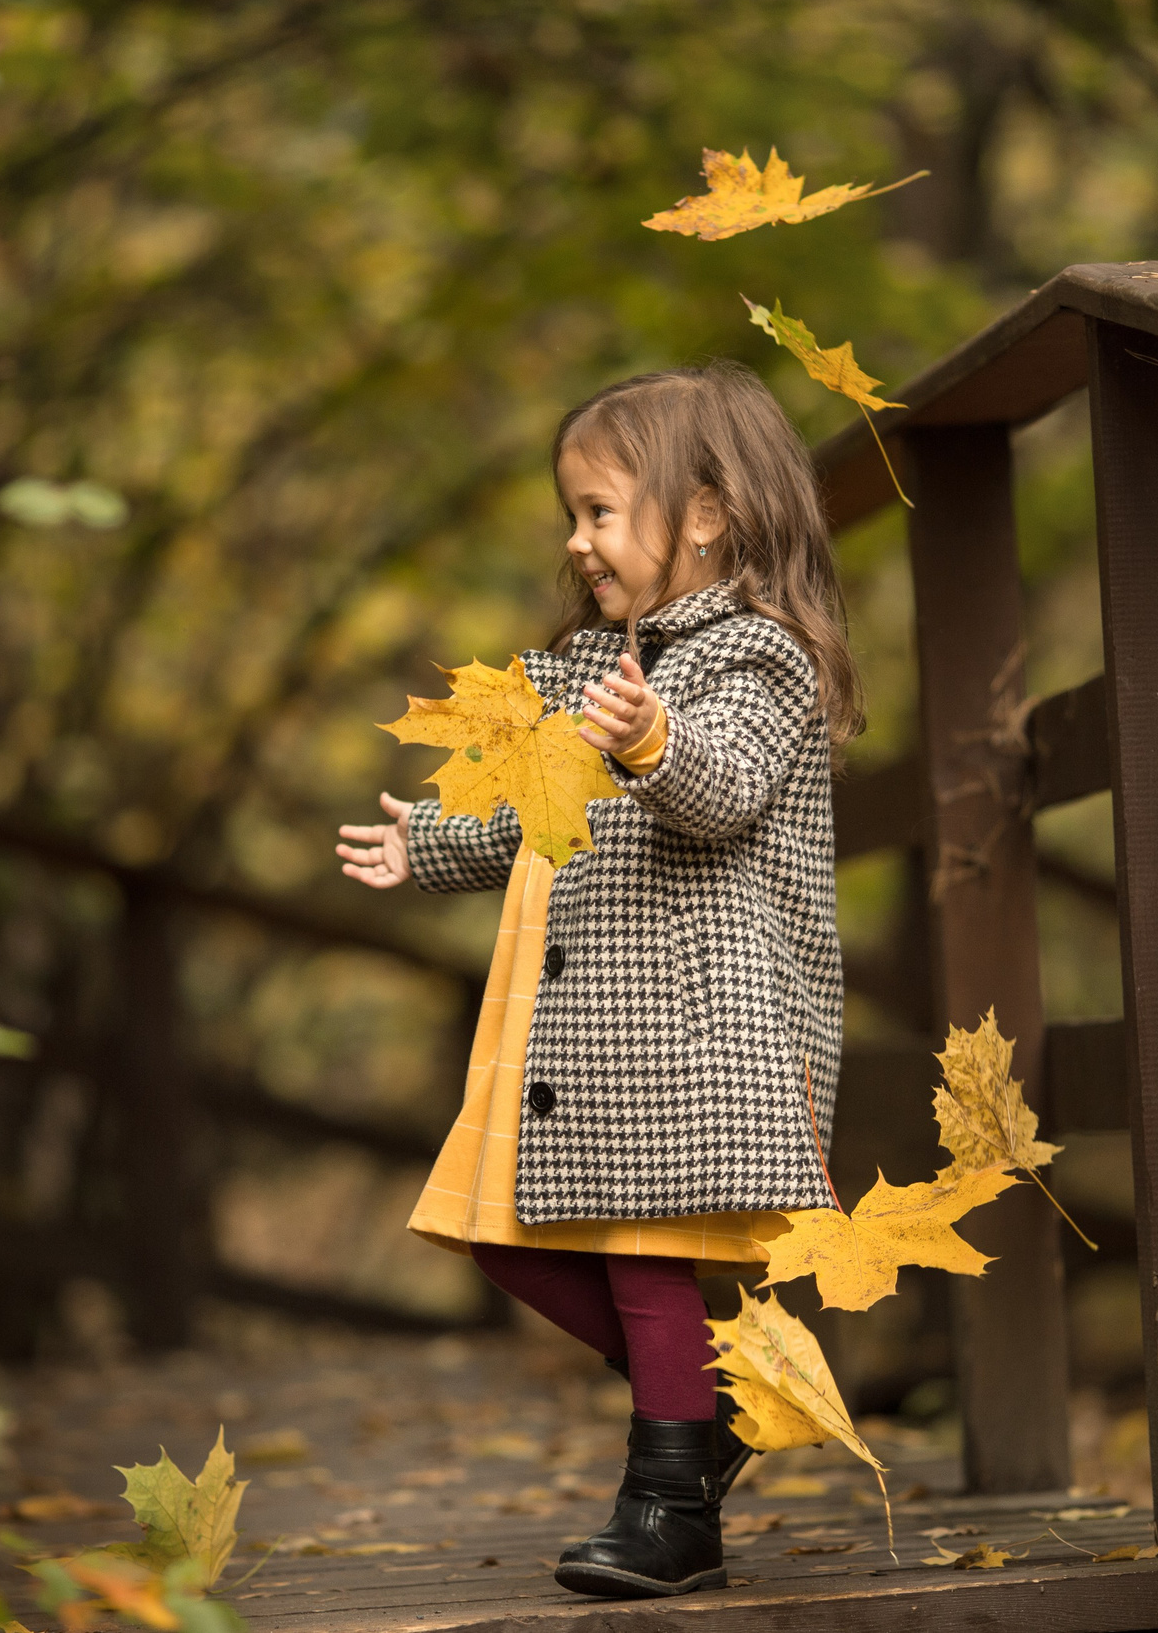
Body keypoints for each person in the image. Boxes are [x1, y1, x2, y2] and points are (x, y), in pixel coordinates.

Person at [334, 361, 859, 1599]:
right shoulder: (588, 669)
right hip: (583, 1036)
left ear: (708, 515)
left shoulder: (761, 659)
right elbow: (528, 808)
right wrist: (429, 839)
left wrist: (653, 741)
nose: (577, 541)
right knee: (503, 1232)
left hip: (697, 1024)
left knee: (637, 1250)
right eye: (570, 515)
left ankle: (670, 1505)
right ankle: (722, 1414)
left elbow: (720, 792)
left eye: (600, 510)